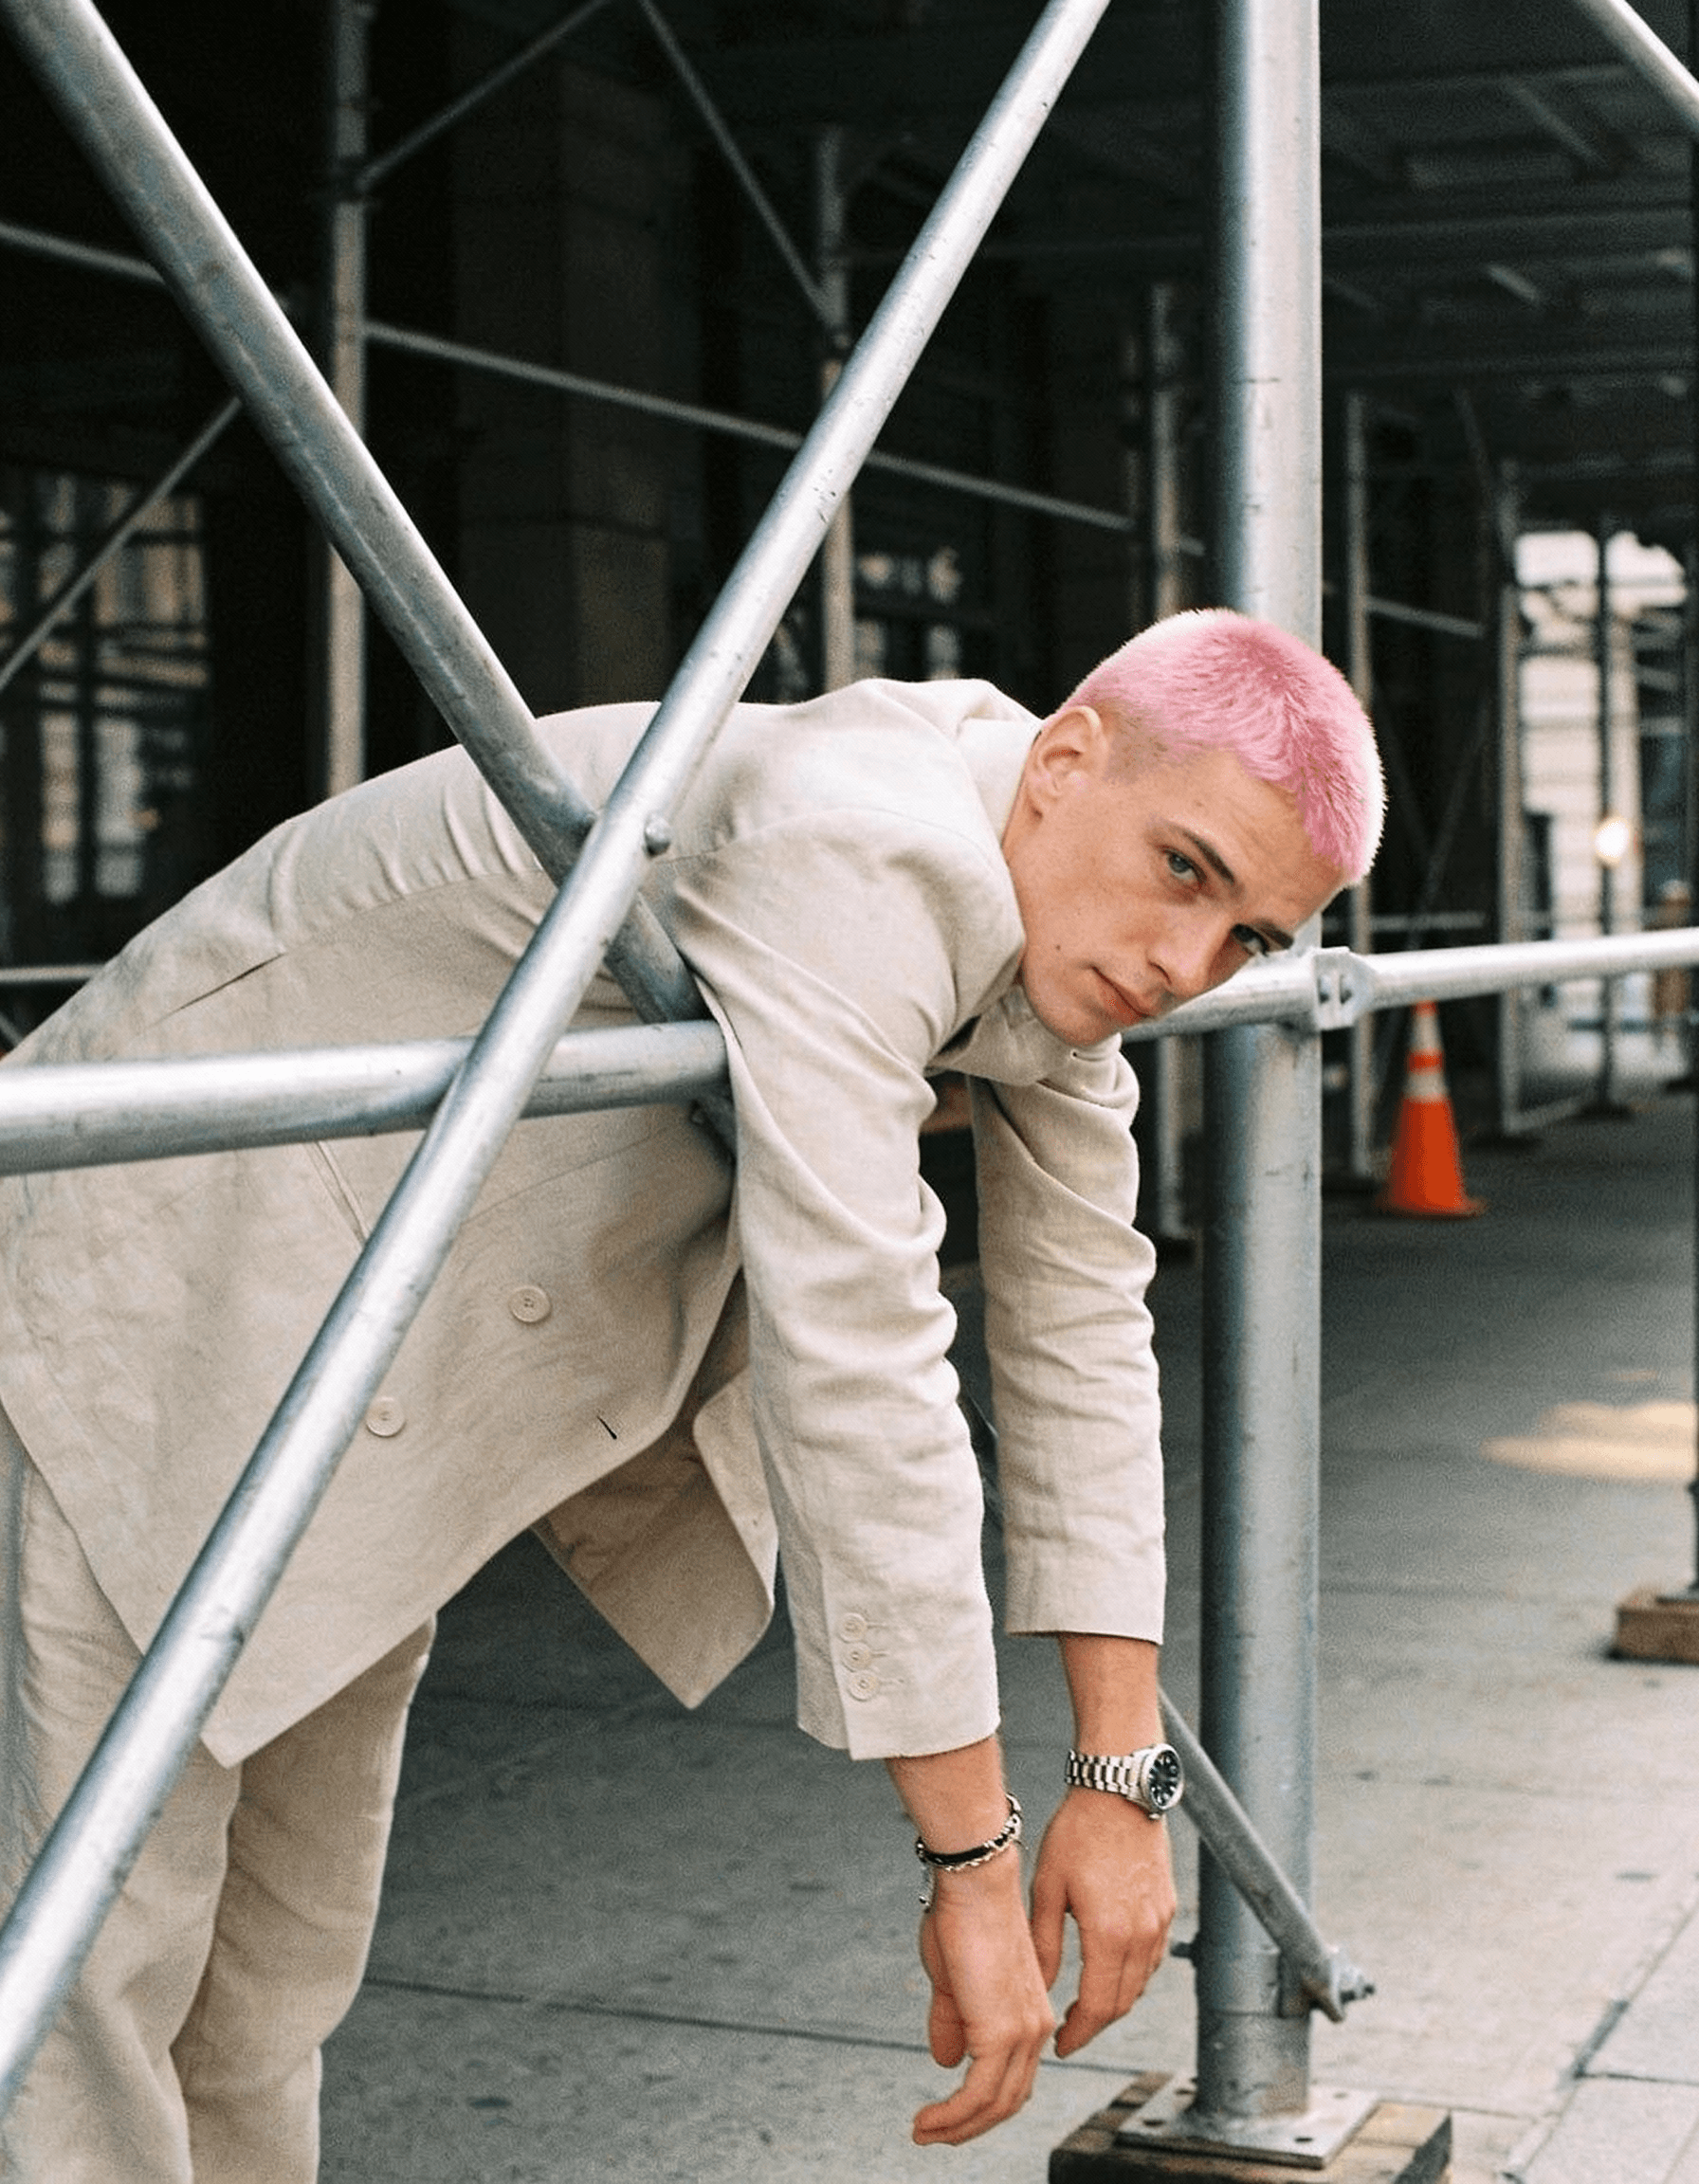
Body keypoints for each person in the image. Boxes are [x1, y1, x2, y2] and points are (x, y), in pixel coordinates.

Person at [0, 609, 1382, 2179]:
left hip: (350, 1378)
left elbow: (1081, 1330)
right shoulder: (870, 840)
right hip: (142, 1295)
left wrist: (1119, 1778)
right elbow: (862, 1358)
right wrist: (974, 1862)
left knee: (265, 1990)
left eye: (1252, 940)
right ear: (1067, 760)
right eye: (1189, 872)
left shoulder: (1052, 903)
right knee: (85, 1982)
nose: (1186, 968)